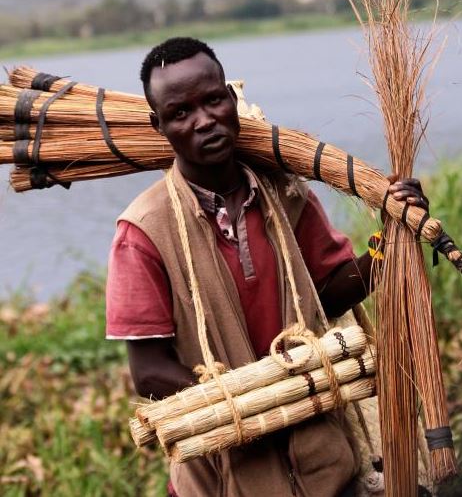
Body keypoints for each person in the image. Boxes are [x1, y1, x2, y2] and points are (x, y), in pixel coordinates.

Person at [105, 37, 430, 497]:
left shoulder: (285, 192)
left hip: (326, 471)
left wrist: (389, 243)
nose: (203, 121)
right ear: (159, 125)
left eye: (214, 100)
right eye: (180, 113)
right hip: (225, 480)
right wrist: (269, 398)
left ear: (232, 99)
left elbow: (330, 294)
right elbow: (150, 372)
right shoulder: (143, 232)